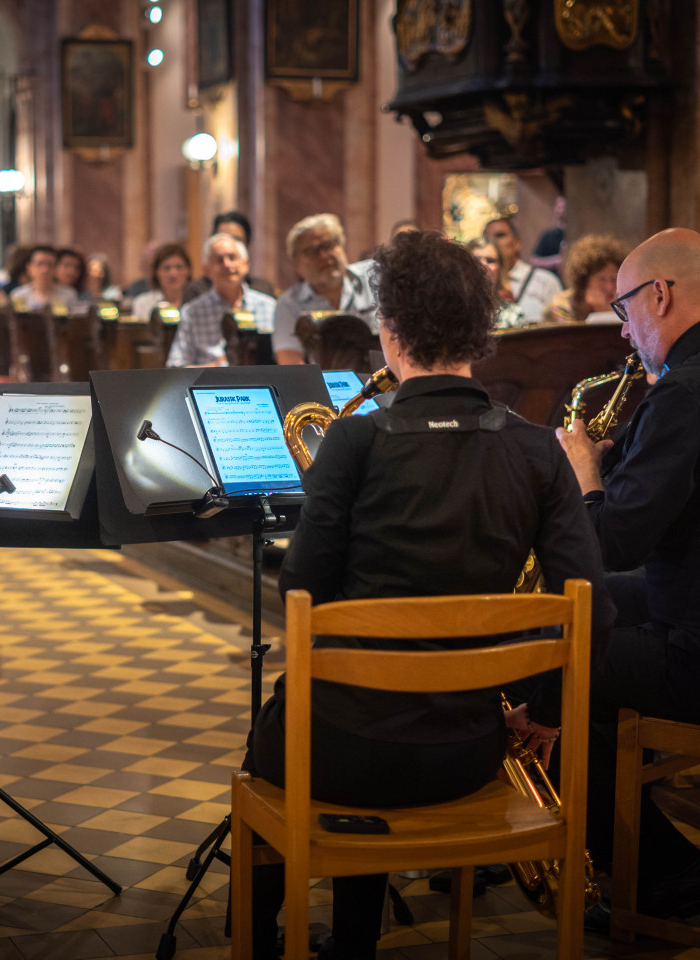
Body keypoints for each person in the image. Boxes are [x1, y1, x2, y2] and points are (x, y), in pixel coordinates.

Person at [245, 230, 613, 960]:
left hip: (343, 753)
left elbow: (301, 591)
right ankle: (352, 940)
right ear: (480, 332)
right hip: (466, 750)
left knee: (284, 728)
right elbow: (592, 606)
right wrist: (540, 709)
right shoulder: (538, 449)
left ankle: (258, 939)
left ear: (390, 330)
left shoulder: (353, 443)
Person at [556, 227, 700, 925]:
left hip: (694, 647)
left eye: (624, 311)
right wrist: (622, 466)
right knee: (576, 609)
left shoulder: (683, 394)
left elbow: (613, 541)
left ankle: (663, 875)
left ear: (661, 295)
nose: (624, 335)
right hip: (689, 594)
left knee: (545, 649)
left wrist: (587, 473)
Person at [272, 213, 377, 364]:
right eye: (313, 251)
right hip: (321, 385)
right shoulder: (289, 304)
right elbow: (291, 363)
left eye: (329, 245)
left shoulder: (373, 277)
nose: (324, 256)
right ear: (296, 264)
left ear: (342, 246)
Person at [166, 233, 276, 367]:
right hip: (210, 385)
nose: (227, 264)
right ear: (206, 270)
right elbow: (176, 368)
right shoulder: (192, 312)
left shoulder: (269, 307)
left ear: (246, 264)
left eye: (232, 257)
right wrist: (216, 367)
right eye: (219, 260)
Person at [183, 210, 276, 301]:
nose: (228, 245)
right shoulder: (196, 292)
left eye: (236, 240)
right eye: (222, 238)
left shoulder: (263, 291)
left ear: (248, 246)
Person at [484, 217, 562, 323]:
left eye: (500, 235)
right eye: (487, 237)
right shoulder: (480, 284)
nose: (493, 241)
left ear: (517, 243)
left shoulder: (545, 281)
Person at [543, 234, 626, 324]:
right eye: (602, 279)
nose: (609, 287)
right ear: (584, 281)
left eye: (614, 279)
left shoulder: (625, 303)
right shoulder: (561, 306)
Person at [467, 237, 526, 329]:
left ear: (500, 268)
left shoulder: (513, 313)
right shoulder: (455, 310)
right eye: (477, 260)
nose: (484, 265)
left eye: (490, 260)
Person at [129, 243, 191, 321]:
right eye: (167, 268)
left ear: (188, 271)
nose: (173, 274)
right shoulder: (142, 303)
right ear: (156, 272)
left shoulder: (195, 302)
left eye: (179, 267)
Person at [9, 245, 77, 313]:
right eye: (40, 264)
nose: (45, 270)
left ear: (56, 268)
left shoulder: (68, 295)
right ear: (30, 267)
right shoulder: (19, 295)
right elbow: (20, 320)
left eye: (50, 265)